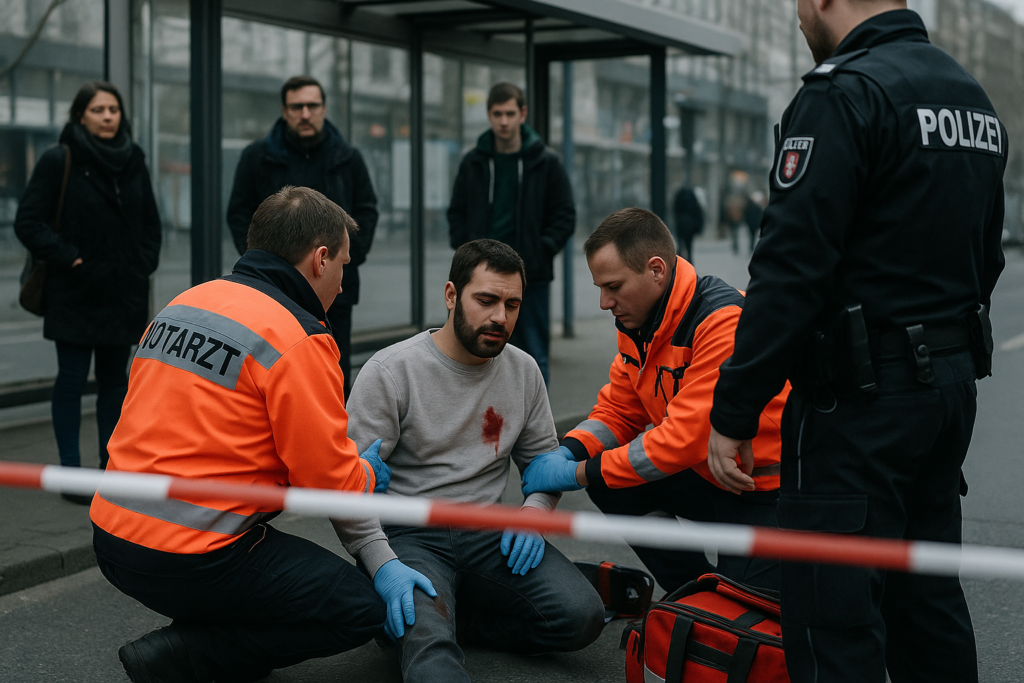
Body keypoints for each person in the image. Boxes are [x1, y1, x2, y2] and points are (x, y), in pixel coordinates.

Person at [707, 2, 1006, 682]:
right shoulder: (971, 100)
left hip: (857, 404)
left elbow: (788, 271)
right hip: (945, 396)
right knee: (926, 604)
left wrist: (733, 411)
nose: (796, 18)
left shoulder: (843, 93)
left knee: (832, 618)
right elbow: (985, 258)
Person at [90, 187, 399, 683]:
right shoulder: (298, 336)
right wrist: (367, 475)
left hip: (110, 537)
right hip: (195, 555)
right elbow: (329, 482)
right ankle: (185, 654)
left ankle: (207, 632)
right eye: (344, 264)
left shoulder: (186, 302)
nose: (342, 285)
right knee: (360, 608)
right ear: (320, 260)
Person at [338, 239, 605, 682]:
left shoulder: (523, 371)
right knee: (432, 660)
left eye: (512, 304)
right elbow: (343, 488)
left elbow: (542, 464)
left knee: (582, 617)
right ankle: (430, 627)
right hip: (410, 536)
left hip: (488, 533)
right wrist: (381, 564)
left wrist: (535, 514)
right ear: (450, 296)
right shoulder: (390, 371)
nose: (501, 317)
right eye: (486, 300)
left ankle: (451, 618)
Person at [520, 208, 789, 594]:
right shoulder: (640, 322)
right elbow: (618, 409)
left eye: (613, 286)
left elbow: (680, 439)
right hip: (712, 478)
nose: (603, 302)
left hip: (764, 494)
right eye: (599, 288)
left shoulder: (722, 321)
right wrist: (571, 450)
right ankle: (690, 595)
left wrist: (574, 473)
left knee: (745, 613)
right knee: (611, 482)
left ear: (657, 270)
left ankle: (711, 604)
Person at [14, 80, 161, 502]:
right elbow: (29, 222)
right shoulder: (59, 158)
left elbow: (150, 222)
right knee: (73, 381)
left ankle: (109, 470)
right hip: (75, 291)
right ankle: (71, 475)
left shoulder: (134, 160)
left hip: (121, 292)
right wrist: (71, 258)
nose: (108, 116)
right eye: (98, 110)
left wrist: (142, 263)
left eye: (113, 109)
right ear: (81, 116)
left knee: (116, 383)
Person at [227, 74, 377, 397]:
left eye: (312, 105)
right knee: (275, 368)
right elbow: (239, 213)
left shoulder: (348, 158)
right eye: (297, 107)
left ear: (324, 109)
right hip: (272, 288)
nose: (305, 113)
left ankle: (334, 438)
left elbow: (367, 212)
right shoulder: (257, 157)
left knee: (333, 367)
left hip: (334, 287)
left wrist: (345, 259)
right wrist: (261, 261)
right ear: (284, 110)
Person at [448, 82, 576, 383]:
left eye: (509, 113)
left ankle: (536, 427)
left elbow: (565, 214)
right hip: (480, 274)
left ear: (523, 114)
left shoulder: (546, 162)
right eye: (497, 114)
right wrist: (465, 252)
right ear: (489, 115)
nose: (503, 121)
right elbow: (457, 211)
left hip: (531, 276)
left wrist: (540, 250)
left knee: (533, 353)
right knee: (478, 349)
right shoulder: (474, 161)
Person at [672, 185, 704, 262]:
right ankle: (689, 262)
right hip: (690, 226)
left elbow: (674, 210)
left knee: (680, 244)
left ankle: (679, 262)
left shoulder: (679, 198)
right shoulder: (693, 200)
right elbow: (698, 213)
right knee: (689, 245)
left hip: (680, 224)